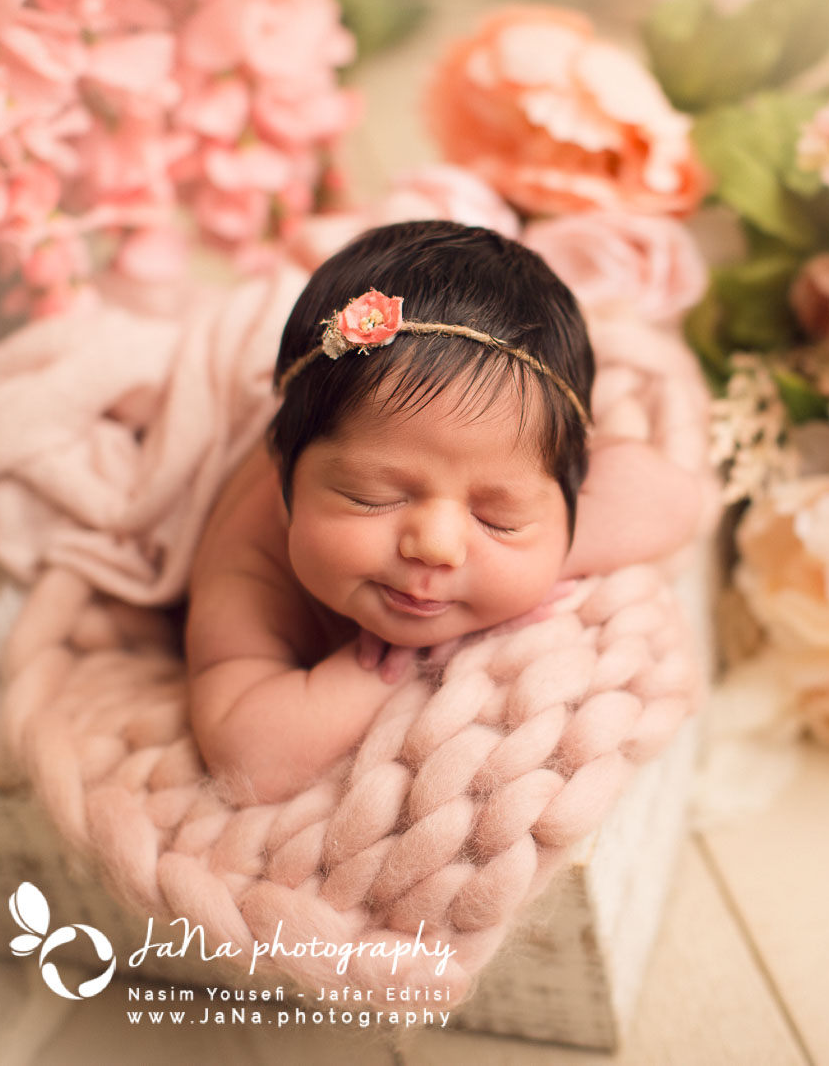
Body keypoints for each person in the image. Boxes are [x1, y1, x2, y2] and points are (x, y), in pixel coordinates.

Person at [185, 220, 701, 806]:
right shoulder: (250, 562)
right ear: (284, 474)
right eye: (372, 497)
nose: (435, 545)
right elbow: (248, 757)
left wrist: (536, 553)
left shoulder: (524, 464)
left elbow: (674, 498)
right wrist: (386, 665)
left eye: (497, 517)